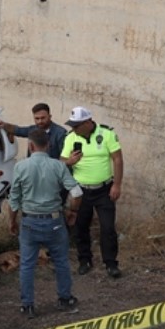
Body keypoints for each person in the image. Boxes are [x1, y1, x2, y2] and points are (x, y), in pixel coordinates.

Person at [7, 126, 82, 318]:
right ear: (48, 145)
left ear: (31, 146)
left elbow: (14, 200)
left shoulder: (20, 167)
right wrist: (73, 211)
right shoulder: (58, 166)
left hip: (30, 222)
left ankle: (28, 305)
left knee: (27, 265)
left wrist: (12, 222)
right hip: (55, 222)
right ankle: (65, 299)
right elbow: (76, 192)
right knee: (61, 262)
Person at [59, 107, 123, 277]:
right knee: (81, 227)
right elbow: (62, 160)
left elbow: (117, 158)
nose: (74, 129)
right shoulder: (70, 138)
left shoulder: (106, 133)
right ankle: (84, 260)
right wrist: (70, 161)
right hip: (80, 191)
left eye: (77, 125)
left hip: (104, 190)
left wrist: (116, 185)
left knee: (108, 227)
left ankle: (110, 263)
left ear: (88, 123)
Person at [0, 102, 69, 159]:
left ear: (50, 116)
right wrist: (4, 125)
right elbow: (18, 130)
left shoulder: (60, 133)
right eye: (37, 118)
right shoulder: (33, 130)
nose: (40, 121)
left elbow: (64, 157)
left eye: (43, 118)